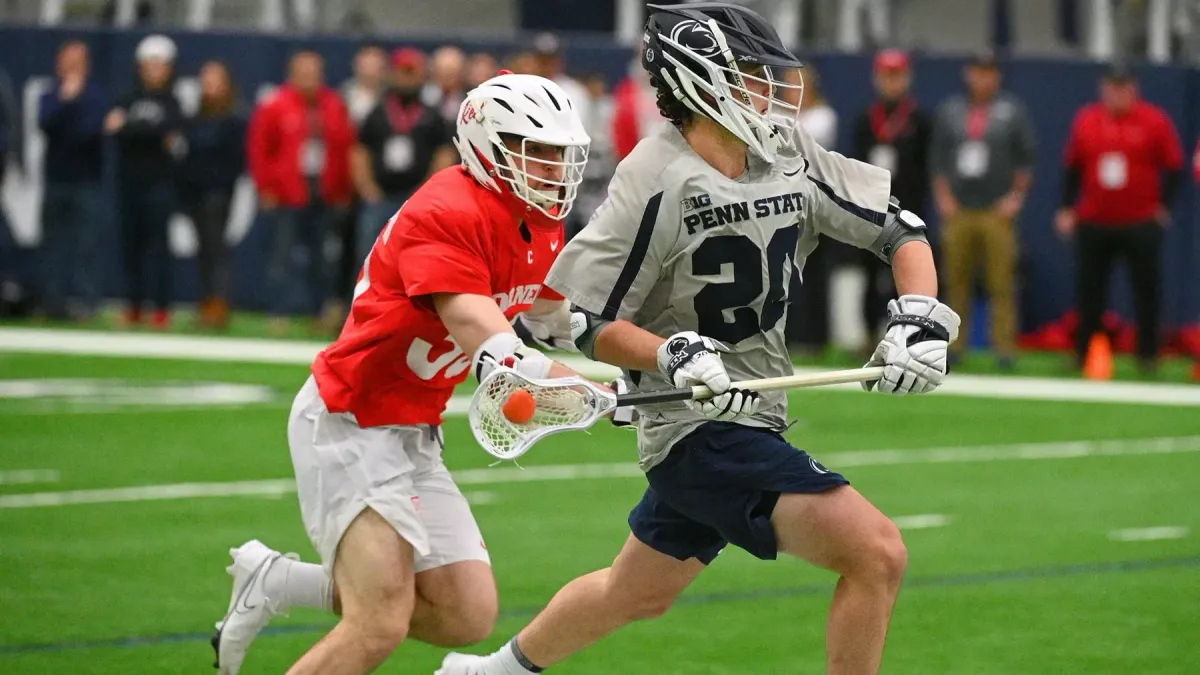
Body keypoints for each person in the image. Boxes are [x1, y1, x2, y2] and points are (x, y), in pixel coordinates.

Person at [438, 4, 959, 675]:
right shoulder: (654, 175)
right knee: (877, 551)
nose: (768, 88)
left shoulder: (783, 149)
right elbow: (580, 319)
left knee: (636, 592)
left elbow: (901, 228)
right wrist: (670, 353)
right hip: (697, 428)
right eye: (748, 73)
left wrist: (917, 314)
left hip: (754, 413)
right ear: (697, 82)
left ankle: (486, 672)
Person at [210, 72, 592, 675]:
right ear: (486, 145)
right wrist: (578, 390)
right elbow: (485, 334)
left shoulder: (540, 222)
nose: (551, 167)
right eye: (534, 150)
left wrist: (653, 368)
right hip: (351, 420)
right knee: (379, 622)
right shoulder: (448, 207)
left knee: (465, 613)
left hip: (413, 429)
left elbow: (558, 320)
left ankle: (277, 581)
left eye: (560, 153)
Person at [1055, 65, 1184, 374]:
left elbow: (1174, 166)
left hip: (1139, 220)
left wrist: (1163, 206)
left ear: (1134, 89)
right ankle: (1083, 352)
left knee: (1146, 289)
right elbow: (1072, 167)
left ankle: (1148, 355)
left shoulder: (1154, 120)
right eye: (1112, 87)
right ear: (1103, 88)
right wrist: (1066, 207)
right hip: (1095, 219)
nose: (1117, 93)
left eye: (1123, 87)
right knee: (1089, 291)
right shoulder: (1087, 119)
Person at [930, 49, 1035, 369]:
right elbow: (938, 159)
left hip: (995, 210)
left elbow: (1025, 159)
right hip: (960, 209)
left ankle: (1003, 347)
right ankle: (953, 346)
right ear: (968, 74)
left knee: (1001, 281)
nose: (982, 78)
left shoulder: (1011, 111)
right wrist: (944, 198)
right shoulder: (951, 110)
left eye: (988, 72)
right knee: (955, 278)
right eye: (977, 71)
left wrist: (1015, 198)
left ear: (997, 76)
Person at [247, 50, 357, 337]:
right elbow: (260, 149)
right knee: (281, 256)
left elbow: (345, 148)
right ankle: (279, 312)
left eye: (314, 72)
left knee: (322, 258)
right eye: (303, 71)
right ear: (291, 73)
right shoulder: (275, 104)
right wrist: (266, 187)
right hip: (287, 193)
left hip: (324, 192)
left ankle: (319, 312)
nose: (309, 78)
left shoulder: (333, 104)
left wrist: (343, 188)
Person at [851, 49, 932, 338]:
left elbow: (926, 167)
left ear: (907, 79)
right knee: (870, 275)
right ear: (877, 78)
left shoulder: (919, 120)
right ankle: (870, 334)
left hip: (908, 208)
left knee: (907, 272)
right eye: (887, 76)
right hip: (872, 208)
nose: (891, 83)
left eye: (897, 76)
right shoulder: (865, 119)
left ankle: (909, 333)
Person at [107, 34, 184, 330]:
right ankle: (133, 305)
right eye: (149, 64)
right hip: (130, 183)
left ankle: (161, 308)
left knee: (159, 247)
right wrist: (149, 133)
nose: (154, 70)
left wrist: (131, 128)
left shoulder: (172, 100)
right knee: (131, 246)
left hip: (160, 184)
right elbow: (117, 133)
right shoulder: (128, 97)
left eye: (160, 64)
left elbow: (171, 133)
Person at [351, 47, 457, 263]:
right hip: (380, 197)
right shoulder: (377, 111)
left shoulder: (432, 113)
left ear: (422, 75)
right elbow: (360, 151)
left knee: (415, 255)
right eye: (402, 71)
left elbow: (444, 153)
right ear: (392, 74)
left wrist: (427, 190)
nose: (407, 78)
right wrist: (368, 189)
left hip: (417, 199)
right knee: (369, 254)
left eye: (412, 72)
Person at [37, 40, 108, 322]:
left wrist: (72, 105)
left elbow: (90, 132)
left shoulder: (96, 95)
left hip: (86, 181)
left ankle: (86, 304)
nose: (72, 67)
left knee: (86, 246)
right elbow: (46, 125)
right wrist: (67, 101)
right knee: (52, 245)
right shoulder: (50, 95)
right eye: (67, 61)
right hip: (55, 178)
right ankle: (51, 302)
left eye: (77, 62)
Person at [179, 60, 248, 330]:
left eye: (214, 79)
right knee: (204, 251)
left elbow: (235, 160)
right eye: (205, 79)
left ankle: (219, 304)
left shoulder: (233, 119)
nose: (208, 85)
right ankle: (206, 300)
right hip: (195, 192)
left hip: (217, 194)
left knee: (216, 250)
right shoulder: (195, 117)